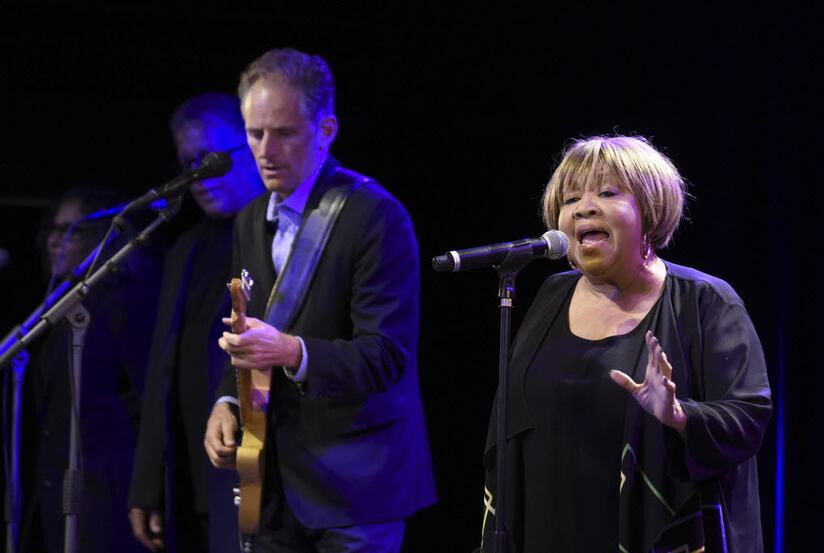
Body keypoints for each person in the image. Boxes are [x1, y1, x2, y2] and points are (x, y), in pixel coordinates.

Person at [478, 136, 772, 553]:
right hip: (548, 528)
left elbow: (749, 418)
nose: (583, 207)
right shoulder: (551, 295)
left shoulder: (704, 300)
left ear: (650, 209)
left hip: (650, 532)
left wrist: (678, 415)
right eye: (570, 198)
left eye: (607, 192)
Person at [203, 48, 436, 552]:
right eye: (254, 133)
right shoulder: (248, 220)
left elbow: (387, 356)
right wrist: (225, 400)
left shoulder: (375, 216)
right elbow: (248, 333)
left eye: (284, 133)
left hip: (357, 488)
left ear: (326, 129)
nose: (266, 150)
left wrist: (291, 351)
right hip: (274, 483)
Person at [127, 92, 264, 552]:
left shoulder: (273, 233)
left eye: (210, 157)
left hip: (249, 467)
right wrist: (148, 484)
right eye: (189, 162)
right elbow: (160, 373)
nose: (198, 175)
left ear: (248, 146)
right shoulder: (183, 250)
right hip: (189, 473)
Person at [22, 186, 161, 553]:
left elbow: (147, 397)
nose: (57, 240)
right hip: (59, 484)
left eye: (74, 231)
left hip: (108, 488)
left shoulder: (124, 303)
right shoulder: (56, 308)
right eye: (53, 229)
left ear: (101, 238)